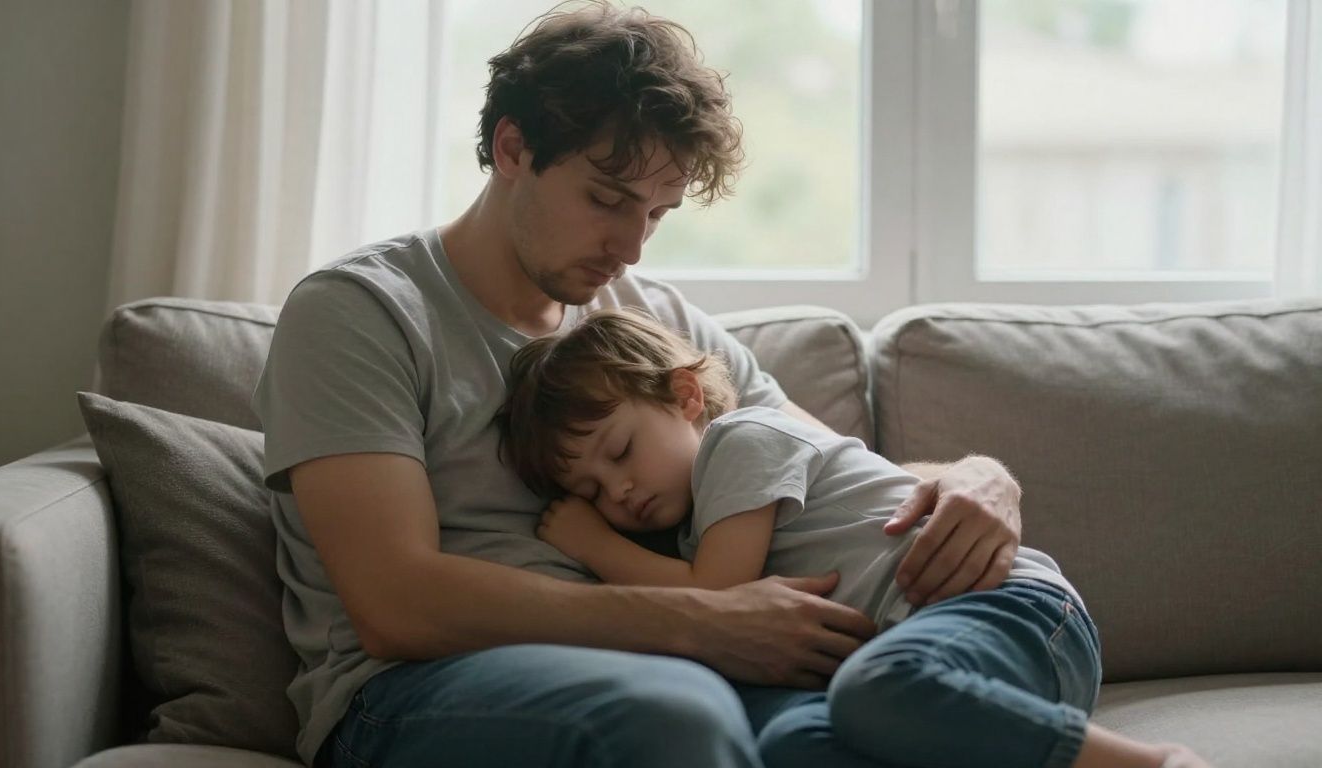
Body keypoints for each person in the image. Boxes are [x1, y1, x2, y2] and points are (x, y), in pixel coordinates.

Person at [254, 3, 1048, 767]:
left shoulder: (647, 317)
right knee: (674, 712)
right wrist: (702, 620)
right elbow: (395, 604)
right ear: (512, 148)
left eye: (658, 214)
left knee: (831, 735)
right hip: (412, 691)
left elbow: (815, 458)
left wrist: (973, 478)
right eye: (607, 200)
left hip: (664, 663)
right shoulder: (361, 313)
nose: (631, 248)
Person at [496, 307, 1214, 768]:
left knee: (880, 684)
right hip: (943, 683)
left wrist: (595, 544)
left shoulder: (741, 441)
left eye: (619, 452)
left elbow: (717, 597)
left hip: (1009, 613)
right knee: (794, 743)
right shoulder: (688, 529)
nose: (617, 492)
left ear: (685, 398)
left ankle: (1153, 765)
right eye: (591, 491)